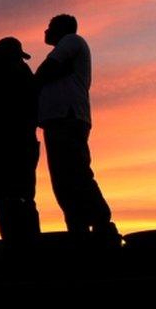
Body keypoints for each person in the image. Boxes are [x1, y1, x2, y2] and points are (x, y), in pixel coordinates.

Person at [34, 14, 118, 240]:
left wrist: (32, 84)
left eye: (50, 27)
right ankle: (78, 230)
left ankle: (102, 225)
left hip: (67, 118)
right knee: (63, 180)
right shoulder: (66, 47)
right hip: (56, 120)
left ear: (61, 29)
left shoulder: (72, 41)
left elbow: (47, 70)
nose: (46, 31)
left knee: (76, 173)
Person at [0, 36, 41, 243]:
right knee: (18, 197)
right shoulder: (21, 72)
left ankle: (20, 243)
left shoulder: (14, 74)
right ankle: (23, 242)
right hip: (17, 142)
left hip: (9, 142)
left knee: (12, 197)